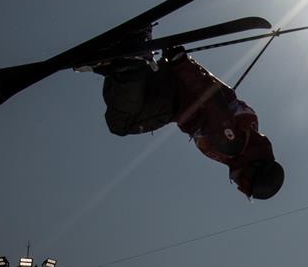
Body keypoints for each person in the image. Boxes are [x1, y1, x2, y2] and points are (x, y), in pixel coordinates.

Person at [93, 44, 285, 200]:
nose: (238, 184)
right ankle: (129, 66)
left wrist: (184, 64)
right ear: (255, 169)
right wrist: (182, 63)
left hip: (176, 95)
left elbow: (217, 95)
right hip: (175, 94)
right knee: (121, 123)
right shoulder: (233, 144)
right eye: (244, 183)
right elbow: (212, 98)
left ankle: (122, 62)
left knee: (122, 117)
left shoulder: (244, 140)